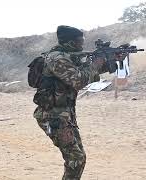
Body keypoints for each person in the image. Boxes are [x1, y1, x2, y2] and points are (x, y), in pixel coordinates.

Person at [33, 25, 112, 180]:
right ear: (69, 42)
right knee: (76, 159)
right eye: (79, 42)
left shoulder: (67, 57)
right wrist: (95, 63)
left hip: (64, 115)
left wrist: (109, 62)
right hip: (52, 116)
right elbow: (77, 80)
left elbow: (84, 72)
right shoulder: (57, 58)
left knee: (79, 158)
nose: (81, 46)